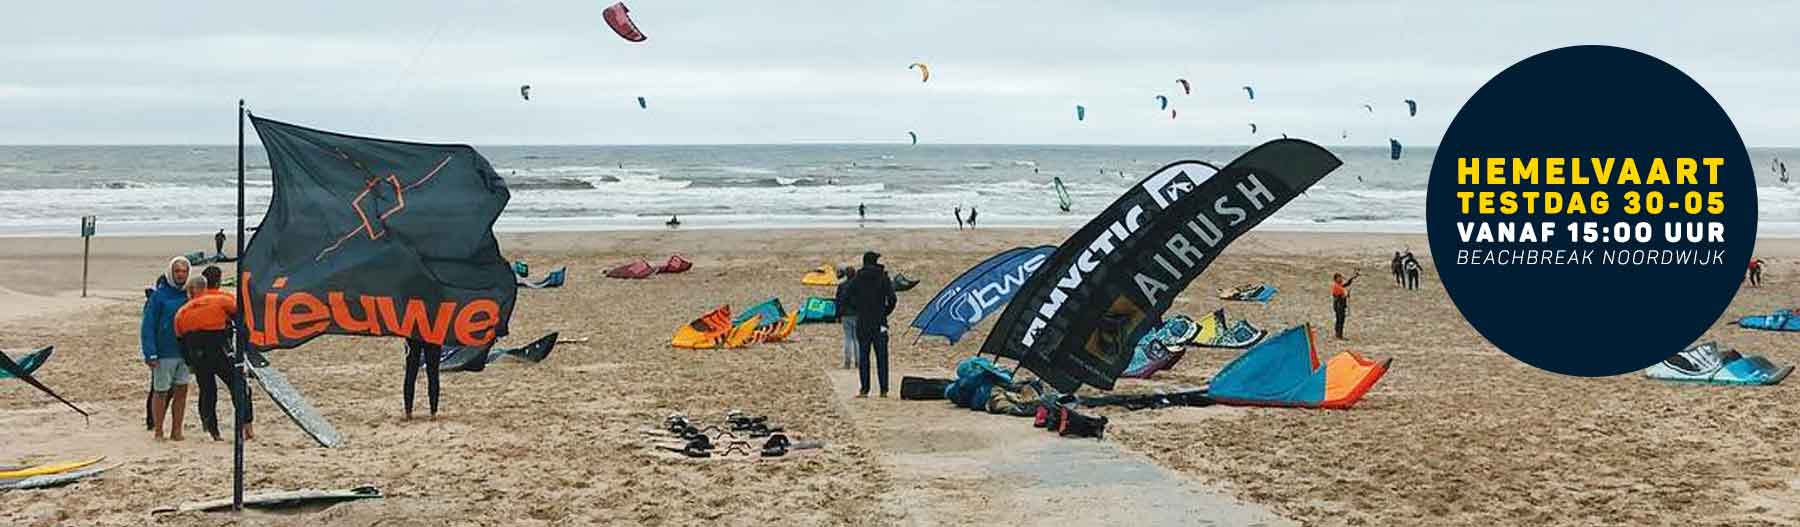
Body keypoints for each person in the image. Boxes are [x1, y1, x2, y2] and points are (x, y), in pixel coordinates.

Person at [175, 266, 254, 442]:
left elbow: (180, 341)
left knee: (207, 391)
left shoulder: (182, 312)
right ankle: (246, 426)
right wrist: (245, 344)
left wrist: (190, 363)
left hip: (197, 353)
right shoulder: (222, 299)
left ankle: (213, 431)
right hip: (219, 348)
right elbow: (241, 319)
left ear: (192, 291)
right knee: (238, 386)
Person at [141, 257, 192, 440]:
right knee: (160, 391)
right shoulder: (159, 296)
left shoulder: (190, 295)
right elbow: (148, 325)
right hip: (163, 353)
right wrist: (150, 352)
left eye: (184, 271)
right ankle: (158, 430)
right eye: (177, 271)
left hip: (185, 353)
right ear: (171, 272)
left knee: (181, 391)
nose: (181, 275)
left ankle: (177, 431)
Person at [845, 252, 897, 397]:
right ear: (875, 262)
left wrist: (857, 308)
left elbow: (847, 296)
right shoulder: (883, 277)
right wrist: (885, 311)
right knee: (882, 357)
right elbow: (892, 299)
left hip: (863, 321)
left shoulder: (858, 278)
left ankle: (864, 389)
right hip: (880, 321)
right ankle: (884, 390)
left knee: (864, 357)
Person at [403, 338, 442, 419]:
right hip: (433, 333)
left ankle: (408, 411)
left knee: (411, 373)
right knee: (433, 373)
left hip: (413, 334)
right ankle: (433, 411)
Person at [833, 265, 859, 369]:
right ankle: (858, 363)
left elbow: (838, 302)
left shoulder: (842, 286)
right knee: (857, 339)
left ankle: (847, 363)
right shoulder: (859, 286)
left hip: (845, 314)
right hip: (857, 314)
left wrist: (837, 315)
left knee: (848, 339)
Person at [1331, 271, 1360, 340]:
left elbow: (1347, 284)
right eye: (1339, 278)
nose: (1341, 279)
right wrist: (1347, 294)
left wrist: (1353, 277)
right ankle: (1339, 335)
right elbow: (1342, 295)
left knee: (1339, 320)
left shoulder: (1338, 285)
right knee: (1340, 320)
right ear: (1336, 279)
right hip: (1339, 306)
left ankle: (1338, 334)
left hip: (1339, 306)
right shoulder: (1337, 287)